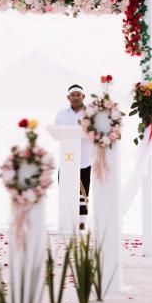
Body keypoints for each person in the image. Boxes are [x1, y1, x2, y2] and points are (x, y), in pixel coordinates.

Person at [55, 84, 93, 230]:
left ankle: (81, 222)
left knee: (83, 191)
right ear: (68, 97)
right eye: (73, 95)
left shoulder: (90, 113)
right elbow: (57, 133)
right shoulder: (61, 114)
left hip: (84, 159)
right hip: (66, 160)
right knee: (65, 188)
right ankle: (65, 218)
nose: (76, 97)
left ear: (83, 97)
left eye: (78, 94)